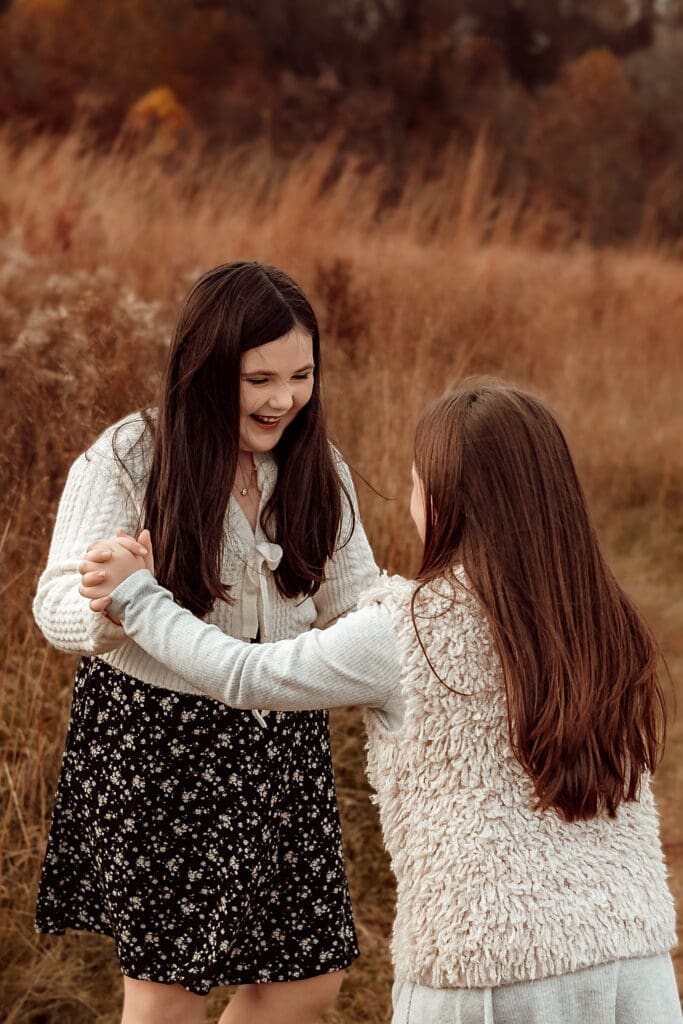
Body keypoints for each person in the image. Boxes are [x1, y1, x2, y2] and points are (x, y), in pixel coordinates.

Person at [80, 378, 681, 1024]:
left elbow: (244, 674)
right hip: (631, 962)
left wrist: (138, 597)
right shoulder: (603, 621)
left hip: (483, 973)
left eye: (420, 481)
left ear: (445, 501)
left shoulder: (404, 631)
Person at [33, 261, 379, 1024]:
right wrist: (118, 601)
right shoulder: (131, 455)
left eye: (300, 375)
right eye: (258, 379)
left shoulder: (320, 470)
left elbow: (362, 602)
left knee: (306, 981)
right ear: (207, 367)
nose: (283, 399)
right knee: (168, 1001)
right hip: (161, 746)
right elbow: (54, 602)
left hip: (283, 743)